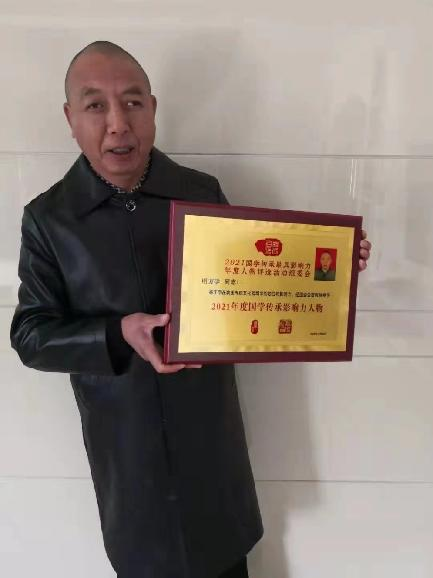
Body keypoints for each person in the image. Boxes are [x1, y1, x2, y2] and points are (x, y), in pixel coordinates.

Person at [10, 41, 371, 578]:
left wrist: (331, 266)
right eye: (95, 105)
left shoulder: (201, 193)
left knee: (225, 556)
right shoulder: (48, 219)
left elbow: (252, 283)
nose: (117, 124)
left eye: (133, 102)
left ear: (153, 108)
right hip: (127, 455)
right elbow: (30, 334)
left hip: (210, 443)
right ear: (70, 118)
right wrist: (116, 333)